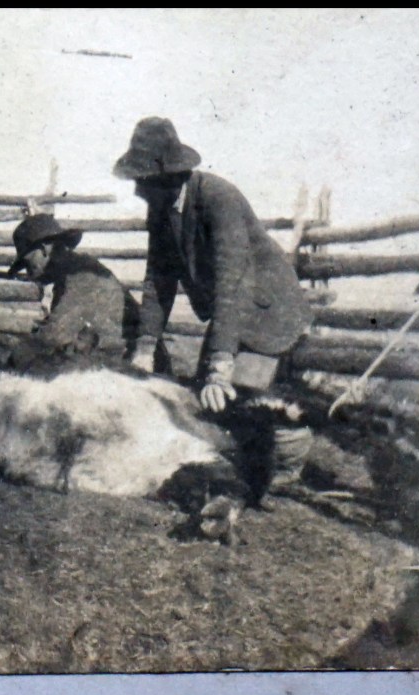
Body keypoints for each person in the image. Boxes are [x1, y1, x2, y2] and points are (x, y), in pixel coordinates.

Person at [114, 116, 314, 501]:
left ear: (169, 175)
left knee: (239, 395)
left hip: (267, 310)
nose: (138, 190)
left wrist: (221, 365)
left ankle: (286, 466)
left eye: (142, 180)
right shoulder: (161, 210)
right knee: (205, 404)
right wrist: (144, 347)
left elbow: (231, 284)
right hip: (233, 312)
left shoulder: (218, 198)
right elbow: (158, 280)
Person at [5, 213, 169, 374]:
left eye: (27, 264)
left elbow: (53, 337)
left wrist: (15, 354)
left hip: (139, 368)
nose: (29, 273)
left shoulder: (82, 276)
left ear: (43, 250)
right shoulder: (70, 274)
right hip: (117, 362)